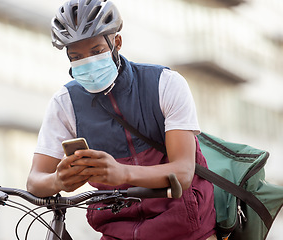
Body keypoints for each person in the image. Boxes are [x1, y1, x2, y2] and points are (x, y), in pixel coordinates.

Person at [27, 0, 216, 239]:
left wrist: (122, 173)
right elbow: (35, 181)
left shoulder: (166, 83)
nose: (88, 63)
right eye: (76, 56)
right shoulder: (64, 103)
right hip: (118, 230)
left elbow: (183, 172)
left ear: (116, 42)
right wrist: (58, 180)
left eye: (96, 51)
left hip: (188, 229)